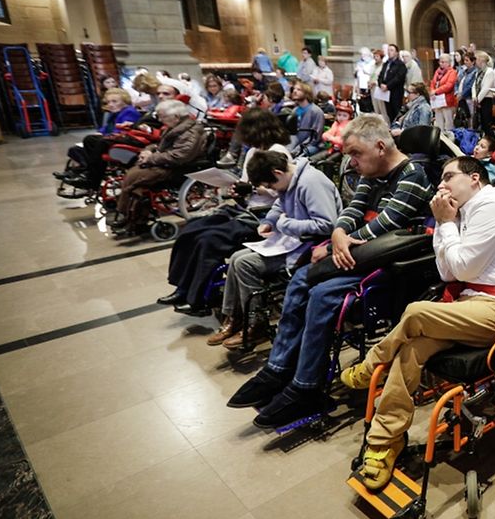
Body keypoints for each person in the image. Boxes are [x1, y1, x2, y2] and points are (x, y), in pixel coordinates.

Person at [337, 155, 495, 489]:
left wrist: (446, 224)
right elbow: (448, 272)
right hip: (472, 303)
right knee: (412, 351)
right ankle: (384, 441)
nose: (441, 185)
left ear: (475, 178)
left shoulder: (493, 206)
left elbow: (461, 269)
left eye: (449, 177)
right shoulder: (460, 212)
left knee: (416, 312)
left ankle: (371, 363)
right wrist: (444, 223)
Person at [226, 114, 435, 427]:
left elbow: (388, 223)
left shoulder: (412, 174)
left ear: (380, 147)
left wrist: (342, 241)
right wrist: (338, 234)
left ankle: (306, 386)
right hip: (359, 252)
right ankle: (280, 367)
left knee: (322, 294)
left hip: (392, 260)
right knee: (299, 280)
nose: (350, 162)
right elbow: (353, 209)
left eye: (355, 154)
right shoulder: (371, 170)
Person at [160, 109, 293, 314]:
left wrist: (252, 188)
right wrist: (237, 189)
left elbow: (283, 193)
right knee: (192, 228)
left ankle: (199, 299)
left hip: (264, 214)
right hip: (245, 207)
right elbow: (247, 183)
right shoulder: (252, 151)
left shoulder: (278, 153)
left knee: (209, 240)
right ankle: (183, 288)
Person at [209, 150, 341, 346]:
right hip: (292, 241)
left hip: (311, 246)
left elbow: (327, 225)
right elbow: (279, 204)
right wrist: (269, 221)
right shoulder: (289, 180)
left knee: (245, 264)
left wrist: (284, 224)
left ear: (278, 173)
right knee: (237, 258)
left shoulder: (311, 183)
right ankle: (234, 317)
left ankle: (257, 323)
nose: (271, 188)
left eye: (270, 184)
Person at [112, 100, 208, 236]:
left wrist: (151, 158)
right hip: (166, 163)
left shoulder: (191, 132)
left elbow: (180, 156)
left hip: (178, 168)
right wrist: (149, 151)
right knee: (138, 184)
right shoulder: (176, 127)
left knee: (134, 178)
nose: (160, 120)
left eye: (163, 116)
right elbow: (161, 146)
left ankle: (125, 214)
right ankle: (136, 220)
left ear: (176, 117)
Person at [54, 88, 143, 190]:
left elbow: (123, 131)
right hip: (111, 139)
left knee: (95, 141)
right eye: (108, 102)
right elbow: (105, 129)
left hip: (125, 142)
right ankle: (81, 172)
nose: (110, 104)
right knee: (84, 143)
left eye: (114, 101)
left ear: (125, 102)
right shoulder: (114, 114)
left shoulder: (129, 112)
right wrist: (100, 133)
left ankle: (91, 178)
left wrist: (102, 135)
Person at [288, 82, 325, 156]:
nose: (295, 91)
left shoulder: (316, 111)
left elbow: (315, 137)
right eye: (294, 89)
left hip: (310, 145)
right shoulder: (295, 110)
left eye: (299, 89)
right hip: (295, 143)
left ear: (306, 93)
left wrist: (298, 148)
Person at [429, 52, 458, 131]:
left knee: (448, 124)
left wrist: (436, 91)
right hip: (437, 101)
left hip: (447, 101)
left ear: (449, 63)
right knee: (438, 123)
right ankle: (440, 140)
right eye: (440, 62)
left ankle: (449, 141)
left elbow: (449, 85)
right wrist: (432, 91)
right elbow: (433, 83)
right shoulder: (437, 72)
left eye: (443, 62)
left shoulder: (452, 72)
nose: (441, 64)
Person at [379, 44, 406, 120]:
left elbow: (398, 78)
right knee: (389, 112)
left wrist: (388, 86)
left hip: (395, 92)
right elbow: (381, 75)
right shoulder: (386, 64)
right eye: (388, 50)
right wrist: (380, 84)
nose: (389, 52)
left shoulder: (400, 65)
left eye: (391, 50)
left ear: (396, 53)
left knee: (396, 112)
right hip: (385, 92)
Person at [355, 47, 376, 114]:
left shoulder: (372, 63)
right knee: (362, 105)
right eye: (361, 54)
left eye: (364, 54)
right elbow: (358, 76)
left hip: (369, 86)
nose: (362, 56)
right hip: (361, 85)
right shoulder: (359, 63)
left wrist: (364, 70)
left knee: (369, 106)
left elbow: (371, 74)